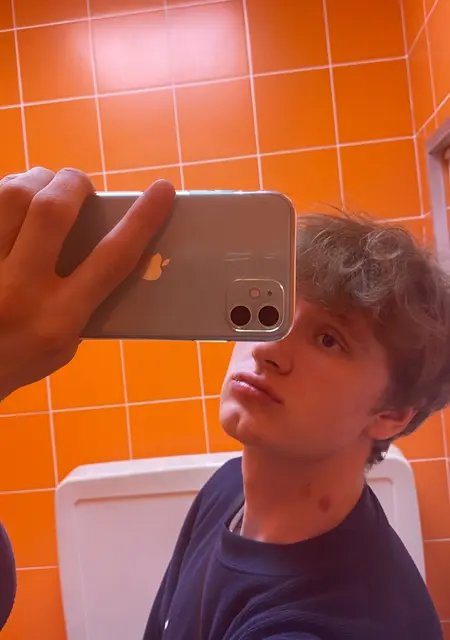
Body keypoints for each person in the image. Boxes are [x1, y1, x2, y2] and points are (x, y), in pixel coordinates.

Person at [0, 168, 446, 639]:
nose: (266, 348)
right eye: (273, 309)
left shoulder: (316, 625)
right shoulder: (229, 487)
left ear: (391, 414)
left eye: (328, 339)